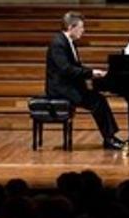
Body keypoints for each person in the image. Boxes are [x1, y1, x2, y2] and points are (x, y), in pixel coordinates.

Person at [45, 12, 124, 150]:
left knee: (98, 100)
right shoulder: (58, 43)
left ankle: (109, 137)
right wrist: (91, 73)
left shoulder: (68, 42)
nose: (83, 30)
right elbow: (66, 69)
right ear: (71, 27)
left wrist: (93, 72)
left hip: (68, 85)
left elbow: (76, 67)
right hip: (61, 89)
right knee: (97, 101)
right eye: (81, 27)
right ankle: (109, 139)